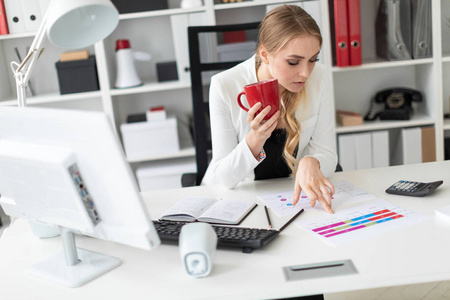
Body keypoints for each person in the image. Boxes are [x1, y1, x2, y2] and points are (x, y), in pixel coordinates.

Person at [201, 5, 337, 214]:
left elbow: (328, 153)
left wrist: (313, 162)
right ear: (265, 55)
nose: (305, 73)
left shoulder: (320, 76)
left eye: (313, 60)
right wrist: (254, 139)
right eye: (293, 62)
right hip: (238, 198)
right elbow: (225, 178)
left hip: (289, 198)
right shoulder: (224, 85)